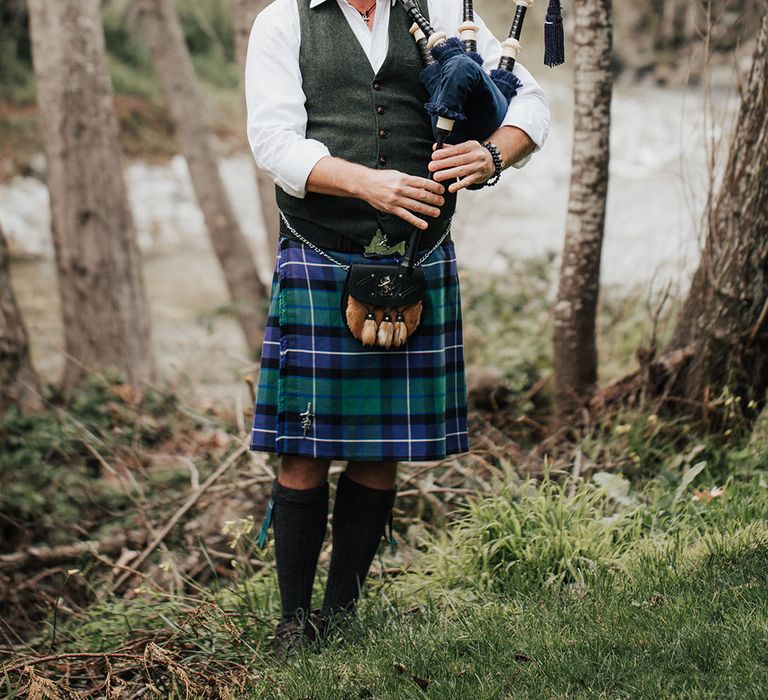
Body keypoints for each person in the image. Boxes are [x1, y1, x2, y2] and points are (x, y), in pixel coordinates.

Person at [244, 0, 549, 652]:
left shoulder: (438, 11)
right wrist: (366, 184)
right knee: (302, 448)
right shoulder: (284, 21)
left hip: (419, 253)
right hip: (319, 248)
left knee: (380, 450)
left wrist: (493, 155)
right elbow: (273, 142)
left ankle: (342, 618)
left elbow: (528, 100)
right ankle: (294, 622)